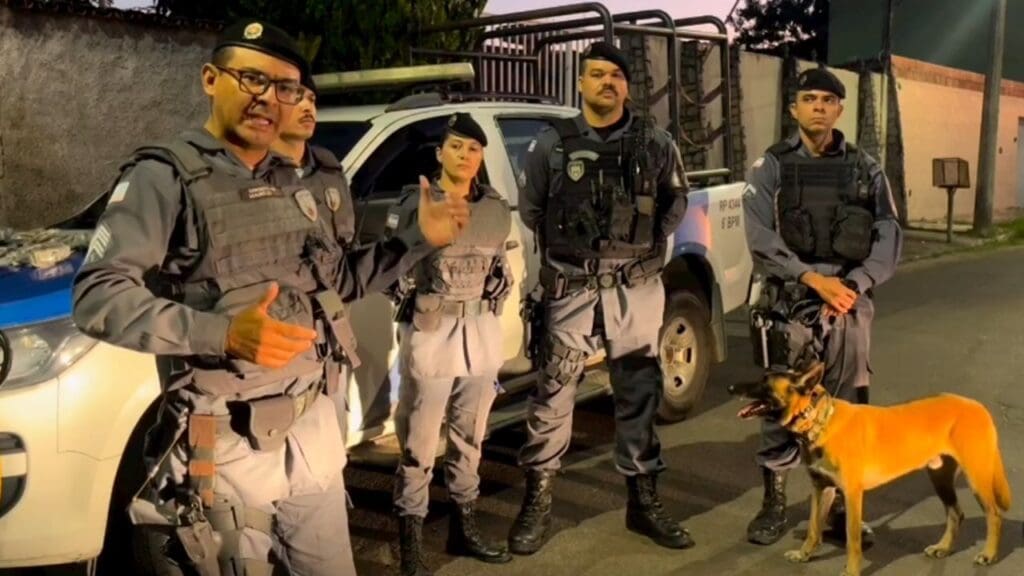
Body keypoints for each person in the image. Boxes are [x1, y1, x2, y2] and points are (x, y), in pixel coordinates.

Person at [71, 20, 468, 576]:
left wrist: (416, 240)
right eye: (251, 79)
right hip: (226, 450)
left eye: (285, 87)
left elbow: (340, 286)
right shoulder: (167, 177)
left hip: (313, 435)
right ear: (211, 79)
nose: (268, 99)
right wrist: (222, 334)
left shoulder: (297, 181)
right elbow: (97, 297)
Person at [509, 41, 693, 555]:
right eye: (597, 74)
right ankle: (538, 500)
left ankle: (642, 501)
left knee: (638, 394)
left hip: (634, 288)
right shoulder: (552, 144)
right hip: (572, 288)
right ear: (581, 84)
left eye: (616, 74)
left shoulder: (655, 142)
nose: (607, 83)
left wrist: (648, 240)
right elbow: (532, 209)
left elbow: (676, 198)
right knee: (552, 396)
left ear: (627, 85)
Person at [742, 67, 902, 546]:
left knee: (847, 409)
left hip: (849, 302)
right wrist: (811, 278)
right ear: (794, 109)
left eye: (826, 99)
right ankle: (773, 503)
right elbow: (759, 235)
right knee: (781, 404)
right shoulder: (770, 166)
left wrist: (854, 283)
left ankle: (837, 512)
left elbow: (889, 232)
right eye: (807, 98)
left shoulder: (865, 168)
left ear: (838, 109)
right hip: (790, 299)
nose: (817, 106)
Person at [385, 112, 514, 576]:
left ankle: (464, 524)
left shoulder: (494, 208)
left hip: (478, 333)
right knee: (419, 444)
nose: (465, 155)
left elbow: (500, 269)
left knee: (470, 436)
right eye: (456, 146)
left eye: (473, 149)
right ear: (440, 153)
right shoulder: (416, 202)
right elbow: (390, 270)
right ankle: (411, 543)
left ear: (481, 158)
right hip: (432, 333)